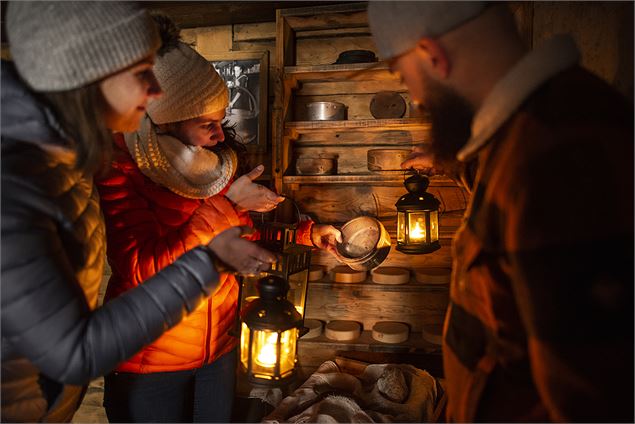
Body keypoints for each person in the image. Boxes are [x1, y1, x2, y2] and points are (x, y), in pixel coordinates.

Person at [1, 3, 276, 422]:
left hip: (52, 404)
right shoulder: (22, 178)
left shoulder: (65, 164)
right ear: (89, 72)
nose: (156, 92)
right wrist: (214, 254)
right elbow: (75, 351)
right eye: (140, 72)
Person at [368, 2, 633, 422]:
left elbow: (591, 402)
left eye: (406, 78)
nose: (417, 100)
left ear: (433, 54)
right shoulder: (530, 133)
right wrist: (456, 163)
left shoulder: (559, 154)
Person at [96, 23, 342, 423]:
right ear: (167, 120)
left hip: (217, 351)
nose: (218, 132)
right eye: (206, 122)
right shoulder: (121, 171)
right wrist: (226, 202)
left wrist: (306, 234)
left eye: (221, 117)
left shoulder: (212, 166)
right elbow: (142, 267)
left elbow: (237, 234)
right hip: (149, 361)